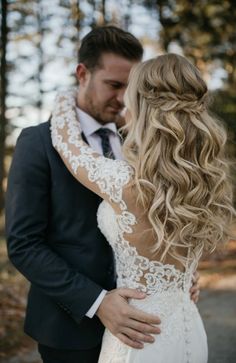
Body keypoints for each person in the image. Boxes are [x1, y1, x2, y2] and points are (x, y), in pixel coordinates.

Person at [6, 27, 199, 363]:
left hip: (147, 332)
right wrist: (97, 301)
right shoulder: (37, 142)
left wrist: (178, 274)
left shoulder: (144, 142)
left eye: (131, 87)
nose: (124, 98)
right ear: (83, 74)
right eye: (114, 84)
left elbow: (162, 220)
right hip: (71, 330)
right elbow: (24, 243)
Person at [50, 53, 235, 362]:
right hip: (188, 327)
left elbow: (67, 143)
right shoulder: (202, 181)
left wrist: (69, 93)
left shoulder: (124, 182)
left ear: (142, 107)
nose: (124, 104)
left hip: (138, 338)